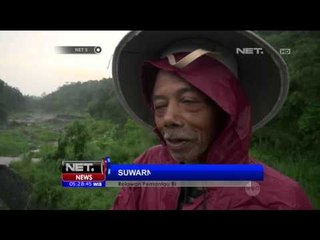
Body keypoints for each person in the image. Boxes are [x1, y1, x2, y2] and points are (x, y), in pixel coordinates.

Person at [111, 31, 313, 210]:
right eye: (160, 106)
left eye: (189, 101)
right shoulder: (148, 166)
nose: (169, 119)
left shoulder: (281, 201)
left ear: (225, 110)